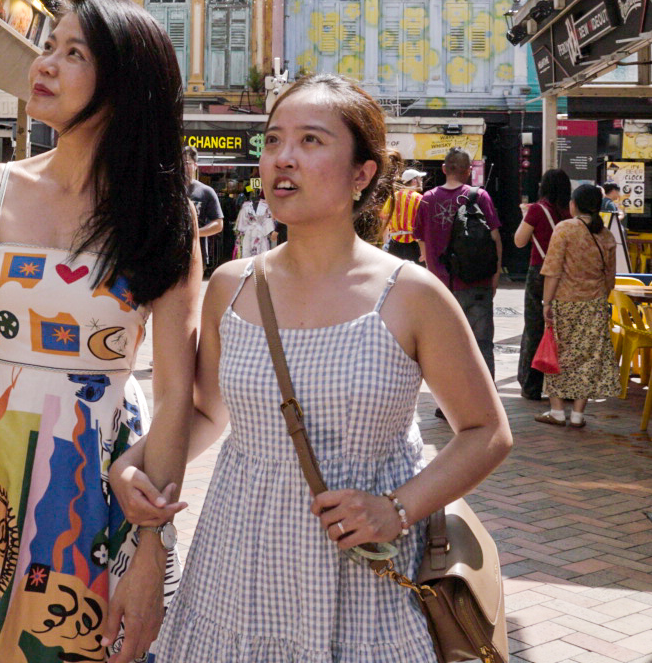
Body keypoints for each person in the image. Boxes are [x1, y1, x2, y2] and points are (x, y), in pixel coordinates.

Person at [111, 74, 512, 661]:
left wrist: (395, 509)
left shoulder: (411, 295)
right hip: (236, 562)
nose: (283, 158)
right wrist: (134, 462)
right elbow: (205, 410)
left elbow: (486, 432)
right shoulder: (233, 285)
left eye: (311, 141)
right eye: (274, 140)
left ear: (362, 174)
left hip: (362, 577)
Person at [0, 0, 202, 663]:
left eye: (72, 52)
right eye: (47, 46)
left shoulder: (162, 218)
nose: (45, 64)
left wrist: (151, 551)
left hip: (98, 483)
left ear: (123, 84)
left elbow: (179, 395)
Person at [537, 183, 620, 428]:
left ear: (574, 205)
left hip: (565, 302)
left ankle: (557, 411)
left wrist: (546, 303)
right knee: (587, 359)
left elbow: (552, 271)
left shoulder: (565, 229)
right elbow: (610, 279)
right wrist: (598, 298)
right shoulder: (606, 235)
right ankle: (577, 415)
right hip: (593, 304)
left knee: (556, 355)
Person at [414, 148, 502, 375]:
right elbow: (495, 240)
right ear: (468, 171)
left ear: (444, 169)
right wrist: (495, 277)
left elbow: (421, 243)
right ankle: (485, 404)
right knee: (482, 345)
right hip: (477, 283)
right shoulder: (480, 197)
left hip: (440, 288)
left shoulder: (427, 200)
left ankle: (448, 406)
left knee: (443, 346)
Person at [513, 169, 572, 400]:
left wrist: (524, 215)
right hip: (566, 275)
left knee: (535, 328)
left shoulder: (537, 210)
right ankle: (564, 385)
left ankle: (531, 384)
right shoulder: (570, 212)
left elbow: (519, 241)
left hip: (540, 272)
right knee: (563, 330)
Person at [182, 144, 224, 270]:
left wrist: (196, 234)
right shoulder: (170, 190)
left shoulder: (206, 192)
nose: (183, 166)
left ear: (195, 165)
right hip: (171, 254)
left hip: (196, 255)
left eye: (187, 162)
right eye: (180, 162)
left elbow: (218, 224)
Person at [381, 165, 426, 263]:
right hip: (415, 246)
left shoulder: (392, 197)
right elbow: (424, 226)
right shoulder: (420, 199)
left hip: (394, 245)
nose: (421, 181)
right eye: (420, 179)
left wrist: (385, 243)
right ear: (414, 181)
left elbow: (384, 222)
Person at [235, 182, 276, 259]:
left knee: (261, 256)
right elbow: (241, 223)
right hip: (248, 235)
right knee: (247, 255)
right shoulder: (245, 205)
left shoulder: (266, 205)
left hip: (261, 234)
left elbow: (268, 221)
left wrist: (270, 232)